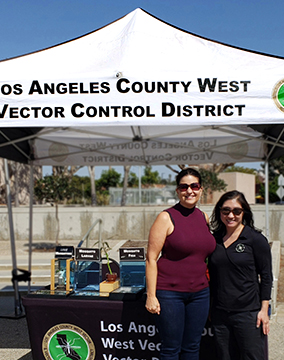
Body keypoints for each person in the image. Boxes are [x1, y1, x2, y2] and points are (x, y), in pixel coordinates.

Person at [145, 167, 216, 360]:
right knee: (171, 349)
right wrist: (151, 296)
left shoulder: (203, 217)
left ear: (201, 189)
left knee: (192, 347)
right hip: (170, 295)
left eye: (194, 186)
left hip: (200, 294)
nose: (189, 191)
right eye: (184, 187)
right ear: (177, 191)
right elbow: (151, 258)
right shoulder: (166, 217)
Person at [209, 190, 273, 360]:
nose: (231, 215)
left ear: (244, 212)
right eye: (226, 210)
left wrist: (264, 310)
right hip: (220, 314)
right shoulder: (214, 240)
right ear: (219, 212)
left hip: (248, 313)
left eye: (237, 211)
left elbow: (266, 276)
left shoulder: (255, 239)